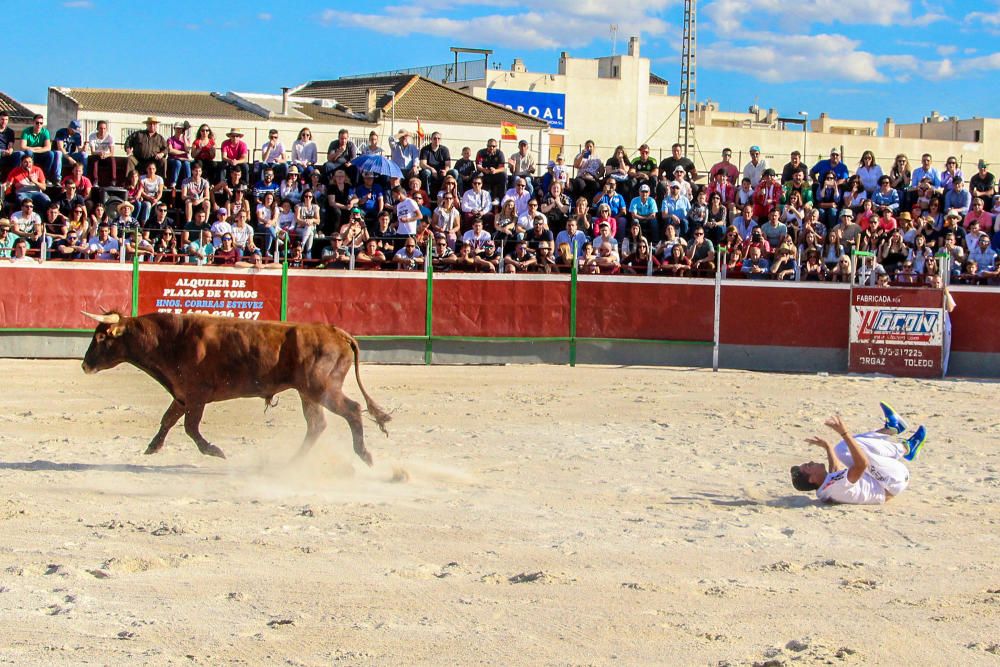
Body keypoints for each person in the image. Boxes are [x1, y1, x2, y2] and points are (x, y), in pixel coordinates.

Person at [790, 407, 927, 505]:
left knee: (841, 449)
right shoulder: (835, 488)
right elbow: (862, 465)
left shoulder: (824, 489)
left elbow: (835, 471)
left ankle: (891, 429)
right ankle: (906, 447)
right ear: (812, 478)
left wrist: (827, 447)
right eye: (808, 466)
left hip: (884, 480)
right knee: (848, 448)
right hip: (892, 482)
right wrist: (844, 433)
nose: (812, 461)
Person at [16, 114, 62, 185]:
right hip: (30, 155)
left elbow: (48, 147)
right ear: (33, 122)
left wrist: (33, 149)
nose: (39, 125)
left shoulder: (45, 132)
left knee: (51, 154)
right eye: (37, 123)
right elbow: (22, 147)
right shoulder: (26, 131)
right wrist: (39, 148)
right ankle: (29, 176)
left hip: (41, 154)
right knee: (28, 152)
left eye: (41, 123)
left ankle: (45, 177)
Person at [166, 122, 192, 191]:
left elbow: (188, 150)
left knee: (187, 164)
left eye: (181, 129)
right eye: (177, 129)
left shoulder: (186, 140)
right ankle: (173, 182)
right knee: (178, 163)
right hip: (173, 159)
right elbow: (171, 150)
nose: (179, 130)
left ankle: (188, 183)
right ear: (174, 129)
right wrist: (183, 152)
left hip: (184, 159)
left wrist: (184, 137)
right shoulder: (170, 139)